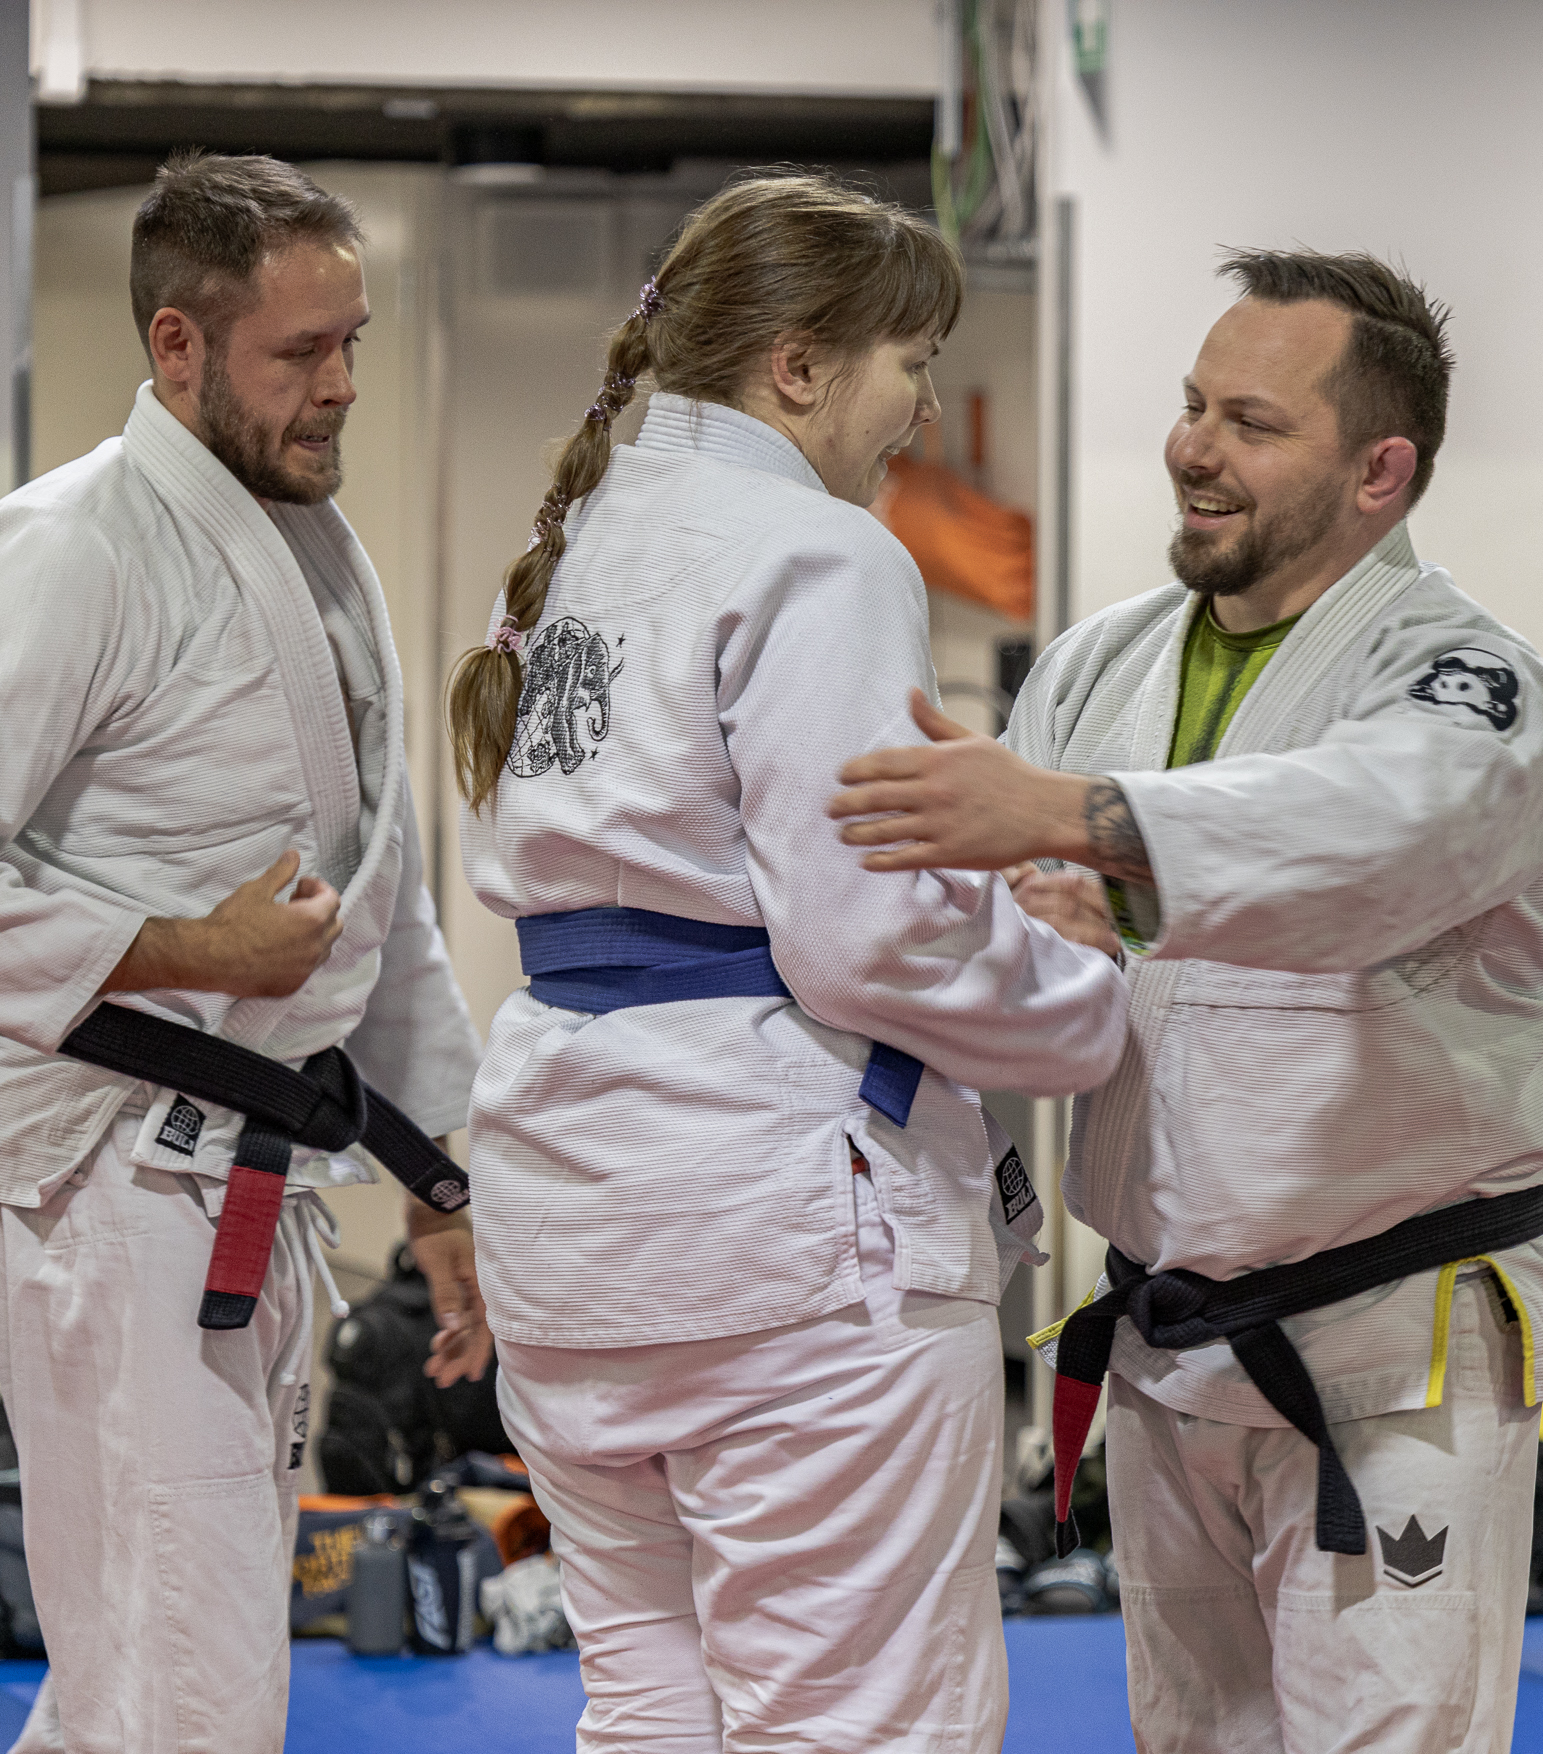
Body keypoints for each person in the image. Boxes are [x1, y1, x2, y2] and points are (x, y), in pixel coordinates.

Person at [828, 250, 1543, 1753]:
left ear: (1381, 469)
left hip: (1391, 1355)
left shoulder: (1467, 683)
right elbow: (1030, 960)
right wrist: (1041, 925)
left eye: (1251, 419)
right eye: (1190, 407)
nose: (1193, 447)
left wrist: (1080, 827)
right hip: (1172, 1342)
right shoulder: (1104, 663)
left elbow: (1372, 835)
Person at [445, 173, 1128, 1752]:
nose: (927, 403)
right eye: (911, 359)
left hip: (573, 1202)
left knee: (650, 1707)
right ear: (801, 366)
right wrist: (1076, 988)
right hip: (777, 1234)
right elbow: (865, 935)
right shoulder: (821, 555)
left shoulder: (560, 559)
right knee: (860, 1720)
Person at [0, 153, 484, 1754]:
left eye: (354, 341)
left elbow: (370, 913)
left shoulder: (324, 555)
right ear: (178, 346)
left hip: (251, 1191)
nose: (342, 387)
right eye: (300, 353)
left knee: (155, 1671)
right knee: (185, 1686)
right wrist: (196, 946)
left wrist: (446, 1184)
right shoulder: (69, 550)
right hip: (106, 1185)